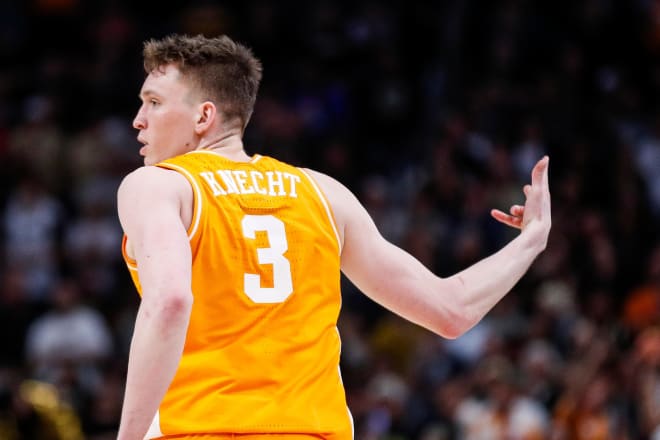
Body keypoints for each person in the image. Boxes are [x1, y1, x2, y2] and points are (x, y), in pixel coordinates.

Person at [116, 34, 551, 440]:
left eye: (153, 103)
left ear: (203, 115)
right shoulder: (323, 193)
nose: (138, 121)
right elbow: (451, 310)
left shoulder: (156, 184)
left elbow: (170, 301)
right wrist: (530, 239)